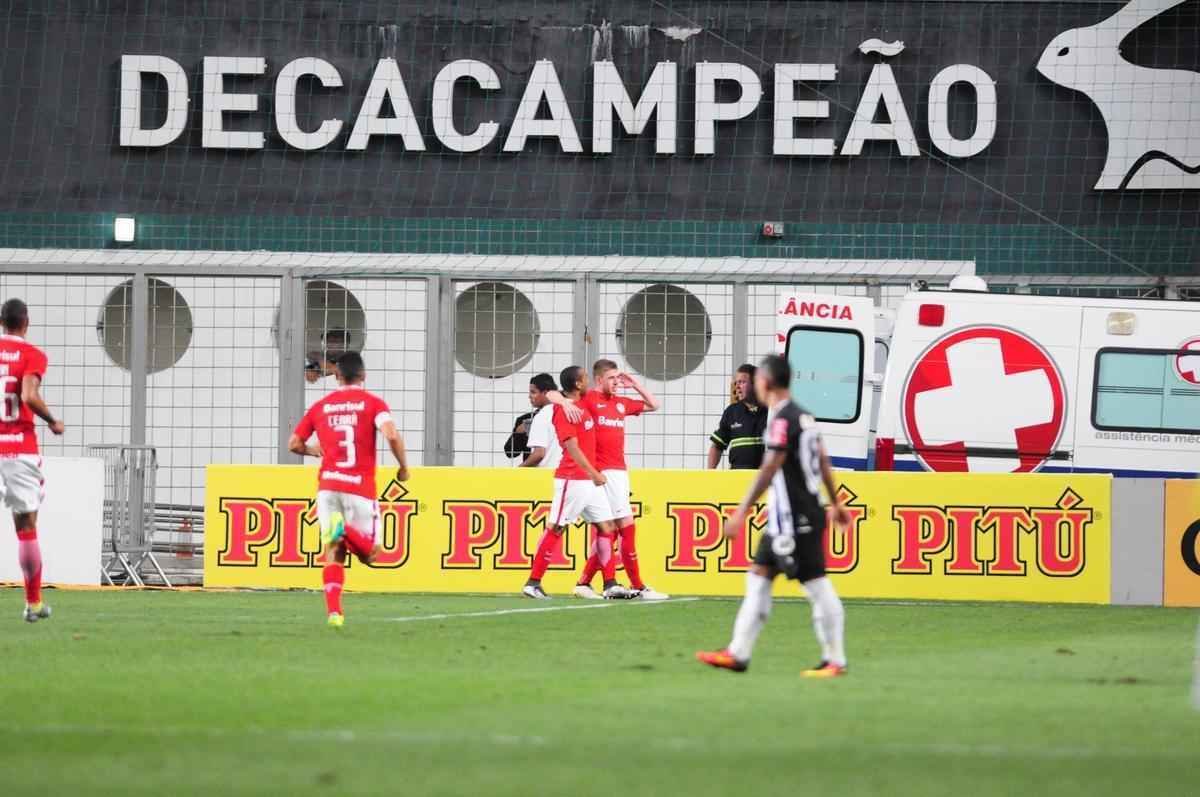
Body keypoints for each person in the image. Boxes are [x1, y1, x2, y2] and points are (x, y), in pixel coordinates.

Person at [696, 354, 852, 678]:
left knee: (816, 585)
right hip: (790, 517)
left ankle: (835, 658)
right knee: (757, 579)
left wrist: (741, 511)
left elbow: (770, 468)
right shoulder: (804, 416)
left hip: (795, 519)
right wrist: (835, 502)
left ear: (765, 381)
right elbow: (822, 460)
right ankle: (738, 653)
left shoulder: (781, 419)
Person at [288, 352, 409, 627]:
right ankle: (344, 530)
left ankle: (335, 613)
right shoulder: (373, 404)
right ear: (363, 376)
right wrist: (403, 467)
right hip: (360, 488)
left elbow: (294, 444)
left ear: (337, 377)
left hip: (328, 486)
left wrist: (311, 449)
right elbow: (390, 434)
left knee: (334, 551)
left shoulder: (321, 406)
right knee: (371, 555)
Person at [558, 359, 668, 601]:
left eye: (619, 378)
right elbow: (556, 394)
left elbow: (655, 405)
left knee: (615, 531)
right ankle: (633, 585)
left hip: (620, 472)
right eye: (612, 378)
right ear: (598, 380)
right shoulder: (589, 399)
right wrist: (563, 401)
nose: (617, 382)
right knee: (621, 529)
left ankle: (586, 582)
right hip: (602, 473)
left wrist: (635, 384)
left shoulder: (620, 403)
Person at [523, 365, 624, 600]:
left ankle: (610, 584)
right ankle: (532, 582)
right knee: (557, 527)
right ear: (578, 384)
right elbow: (571, 447)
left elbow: (551, 394)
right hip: (572, 478)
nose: (588, 381)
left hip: (588, 481)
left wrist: (564, 400)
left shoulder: (581, 401)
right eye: (585, 378)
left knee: (607, 527)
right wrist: (594, 473)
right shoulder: (563, 412)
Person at [0, 299, 65, 623]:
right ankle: (33, 603)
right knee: (26, 527)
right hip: (17, 449)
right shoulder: (32, 355)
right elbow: (27, 395)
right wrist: (53, 420)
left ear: (1, 322)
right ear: (25, 322)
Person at [707, 364, 766, 470]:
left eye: (742, 382)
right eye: (736, 382)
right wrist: (709, 474)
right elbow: (717, 447)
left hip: (764, 477)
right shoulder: (731, 412)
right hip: (736, 477)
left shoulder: (771, 410)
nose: (737, 386)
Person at [520, 373, 562, 469]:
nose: (529, 396)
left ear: (545, 393)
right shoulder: (565, 411)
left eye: (533, 392)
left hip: (547, 475)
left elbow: (539, 454)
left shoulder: (542, 416)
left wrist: (518, 470)